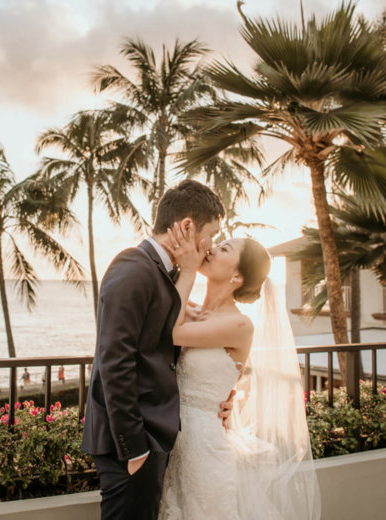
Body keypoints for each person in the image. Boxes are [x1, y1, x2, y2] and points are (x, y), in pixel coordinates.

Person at [81, 180, 232, 520]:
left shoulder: (168, 275)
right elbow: (114, 363)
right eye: (211, 233)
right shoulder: (133, 268)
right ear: (187, 226)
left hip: (154, 436)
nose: (210, 247)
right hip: (133, 442)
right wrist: (134, 447)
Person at [158, 235, 321, 519]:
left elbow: (173, 333)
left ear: (237, 275)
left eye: (225, 249)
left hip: (205, 448)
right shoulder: (192, 309)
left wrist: (187, 270)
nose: (212, 249)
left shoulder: (239, 324)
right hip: (173, 442)